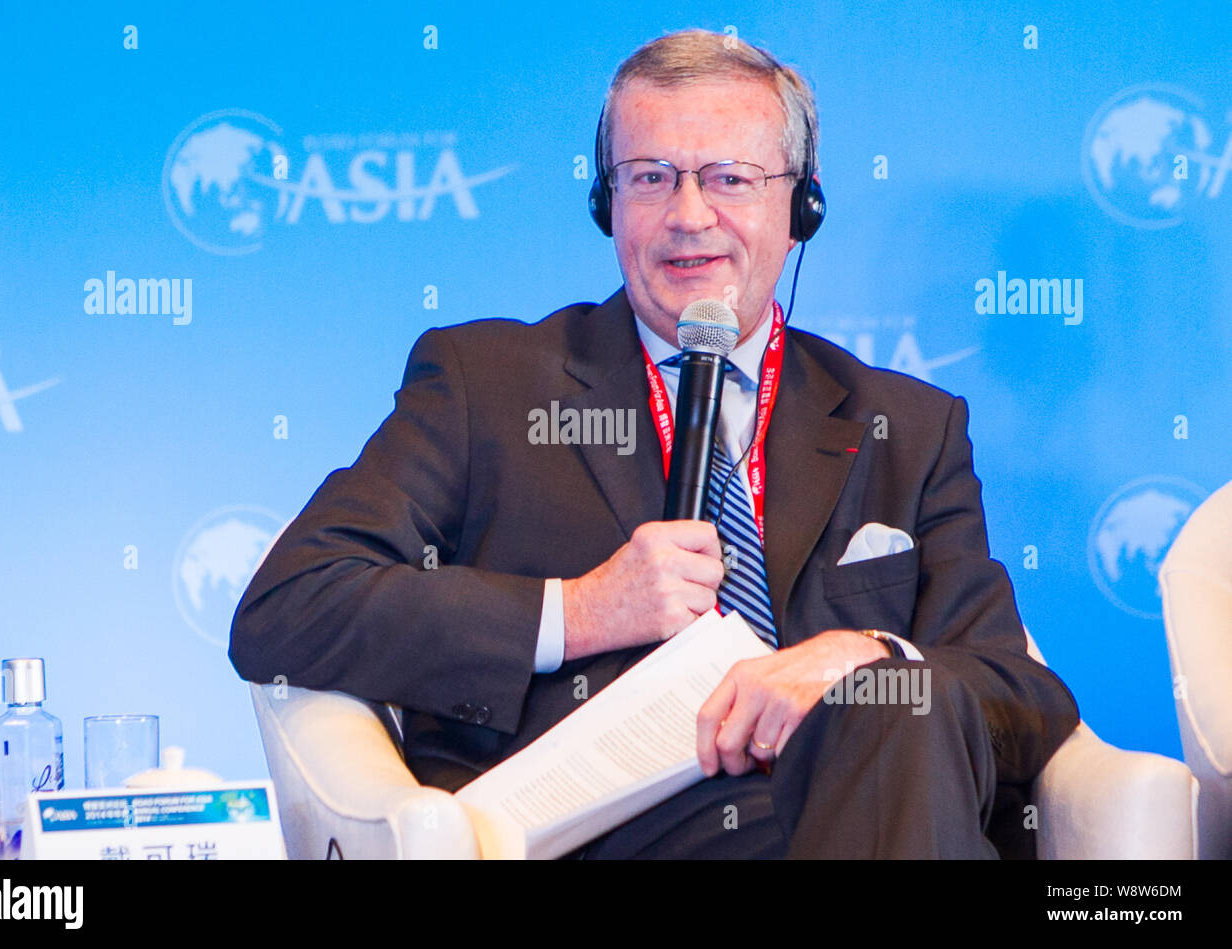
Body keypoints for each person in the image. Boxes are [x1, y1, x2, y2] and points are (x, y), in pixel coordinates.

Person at [229, 28, 1079, 859]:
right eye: (650, 178)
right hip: (610, 826)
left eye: (730, 178)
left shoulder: (909, 425)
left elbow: (1022, 693)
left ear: (801, 209)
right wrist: (581, 609)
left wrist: (868, 661)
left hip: (860, 810)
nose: (689, 215)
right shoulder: (485, 384)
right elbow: (288, 607)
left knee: (899, 701)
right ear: (607, 204)